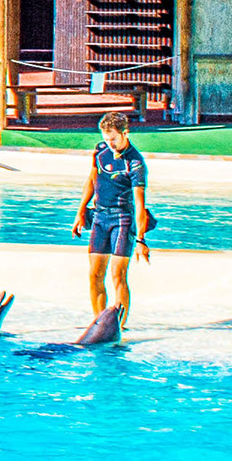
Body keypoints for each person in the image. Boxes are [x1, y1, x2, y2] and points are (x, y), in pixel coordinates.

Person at [71, 110, 149, 321]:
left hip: (123, 221)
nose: (110, 144)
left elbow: (140, 205)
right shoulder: (100, 151)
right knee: (94, 274)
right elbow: (92, 180)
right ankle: (99, 322)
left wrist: (141, 239)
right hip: (99, 217)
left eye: (113, 139)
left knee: (117, 275)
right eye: (106, 139)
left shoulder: (135, 163)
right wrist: (80, 212)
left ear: (125, 133)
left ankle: (118, 325)